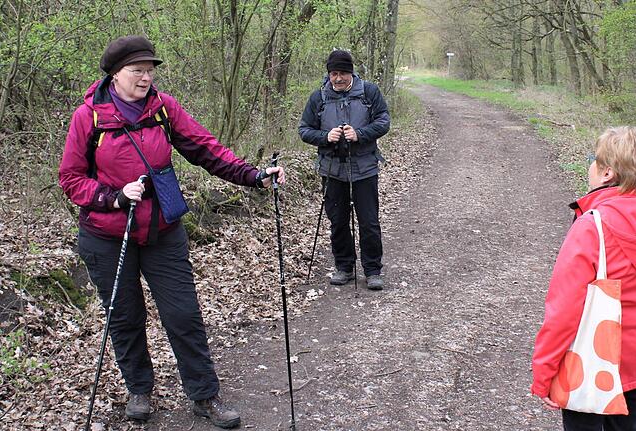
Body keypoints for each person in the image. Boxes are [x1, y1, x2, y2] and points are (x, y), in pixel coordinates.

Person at [59, 35, 285, 429]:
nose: (146, 78)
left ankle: (204, 396)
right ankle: (140, 390)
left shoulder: (163, 109)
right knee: (125, 318)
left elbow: (205, 148)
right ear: (115, 74)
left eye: (149, 70)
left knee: (183, 315)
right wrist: (112, 197)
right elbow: (71, 179)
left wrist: (252, 175)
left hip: (163, 230)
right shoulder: (89, 117)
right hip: (108, 235)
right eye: (137, 71)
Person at [530, 126, 636, 430]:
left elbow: (564, 309)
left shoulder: (592, 225)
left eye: (594, 160)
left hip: (588, 360)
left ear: (607, 172)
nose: (591, 166)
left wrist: (544, 373)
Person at [298, 50, 391, 290]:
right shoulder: (318, 98)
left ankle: (372, 271)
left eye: (343, 73)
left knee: (368, 221)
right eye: (334, 73)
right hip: (331, 169)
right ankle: (344, 267)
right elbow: (304, 130)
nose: (338, 78)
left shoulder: (369, 92)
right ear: (329, 74)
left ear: (351, 72)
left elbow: (383, 121)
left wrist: (359, 134)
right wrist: (325, 136)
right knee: (338, 221)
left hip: (365, 167)